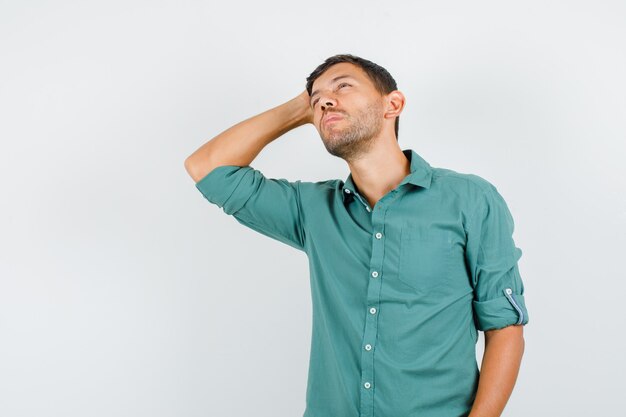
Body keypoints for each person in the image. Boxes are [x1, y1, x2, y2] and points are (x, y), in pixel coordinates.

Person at [184, 53, 529, 417]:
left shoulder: (469, 199)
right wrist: (300, 108)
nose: (326, 101)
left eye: (343, 86)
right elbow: (207, 167)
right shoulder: (311, 210)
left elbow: (504, 326)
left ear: (392, 104)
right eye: (317, 100)